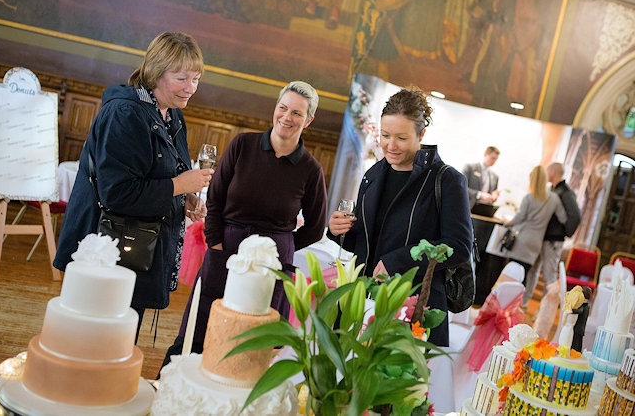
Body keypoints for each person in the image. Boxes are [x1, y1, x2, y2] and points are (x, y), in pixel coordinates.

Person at [53, 32, 212, 341]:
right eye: (182, 78)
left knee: (118, 346)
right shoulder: (124, 114)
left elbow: (163, 176)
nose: (191, 88)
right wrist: (179, 184)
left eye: (196, 79)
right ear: (156, 72)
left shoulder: (172, 115)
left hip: (137, 254)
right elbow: (118, 193)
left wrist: (186, 198)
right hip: (106, 254)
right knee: (95, 346)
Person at [159, 80, 328, 370]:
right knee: (196, 333)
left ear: (308, 119)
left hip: (271, 265)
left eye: (297, 113)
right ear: (275, 109)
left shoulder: (311, 169)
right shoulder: (243, 144)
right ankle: (168, 390)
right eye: (283, 108)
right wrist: (216, 243)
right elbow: (216, 196)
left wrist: (279, 251)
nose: (287, 117)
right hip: (226, 248)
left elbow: (316, 226)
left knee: (253, 347)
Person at [327, 87, 473, 347]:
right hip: (362, 303)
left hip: (414, 306)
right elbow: (363, 241)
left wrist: (399, 260)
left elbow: (459, 247)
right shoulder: (373, 175)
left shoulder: (447, 180)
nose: (390, 145)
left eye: (401, 138)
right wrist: (339, 230)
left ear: (421, 135)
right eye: (385, 135)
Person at [522, 162, 581, 305]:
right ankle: (524, 303)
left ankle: (545, 311)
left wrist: (565, 233)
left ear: (553, 173)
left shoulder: (566, 193)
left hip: (554, 241)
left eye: (548, 171)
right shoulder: (552, 190)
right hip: (542, 238)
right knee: (532, 271)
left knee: (549, 276)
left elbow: (575, 216)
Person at [494, 165, 567, 278]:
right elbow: (563, 218)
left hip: (522, 240)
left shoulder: (529, 197)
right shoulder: (554, 198)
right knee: (524, 276)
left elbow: (520, 217)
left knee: (511, 274)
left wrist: (508, 221)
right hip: (536, 242)